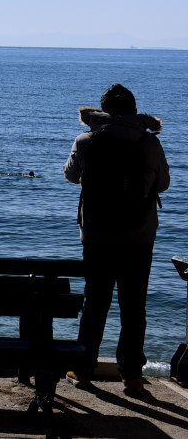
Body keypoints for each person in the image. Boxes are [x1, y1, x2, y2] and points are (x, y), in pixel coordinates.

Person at [63, 84, 170, 391]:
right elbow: (163, 184)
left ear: (103, 110)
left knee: (95, 303)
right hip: (139, 235)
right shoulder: (149, 143)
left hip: (96, 235)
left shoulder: (86, 140)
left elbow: (71, 175)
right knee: (134, 306)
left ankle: (84, 369)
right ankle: (132, 375)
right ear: (135, 111)